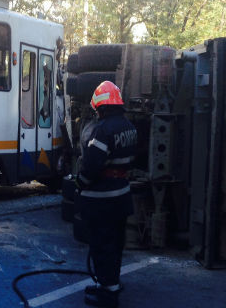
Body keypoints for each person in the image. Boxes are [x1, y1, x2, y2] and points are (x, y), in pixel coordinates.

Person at [76, 81, 137, 308]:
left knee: (102, 246)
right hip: (122, 196)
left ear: (101, 107)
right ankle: (109, 284)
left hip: (102, 200)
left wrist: (79, 184)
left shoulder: (103, 130)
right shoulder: (129, 127)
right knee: (115, 244)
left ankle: (108, 296)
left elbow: (91, 166)